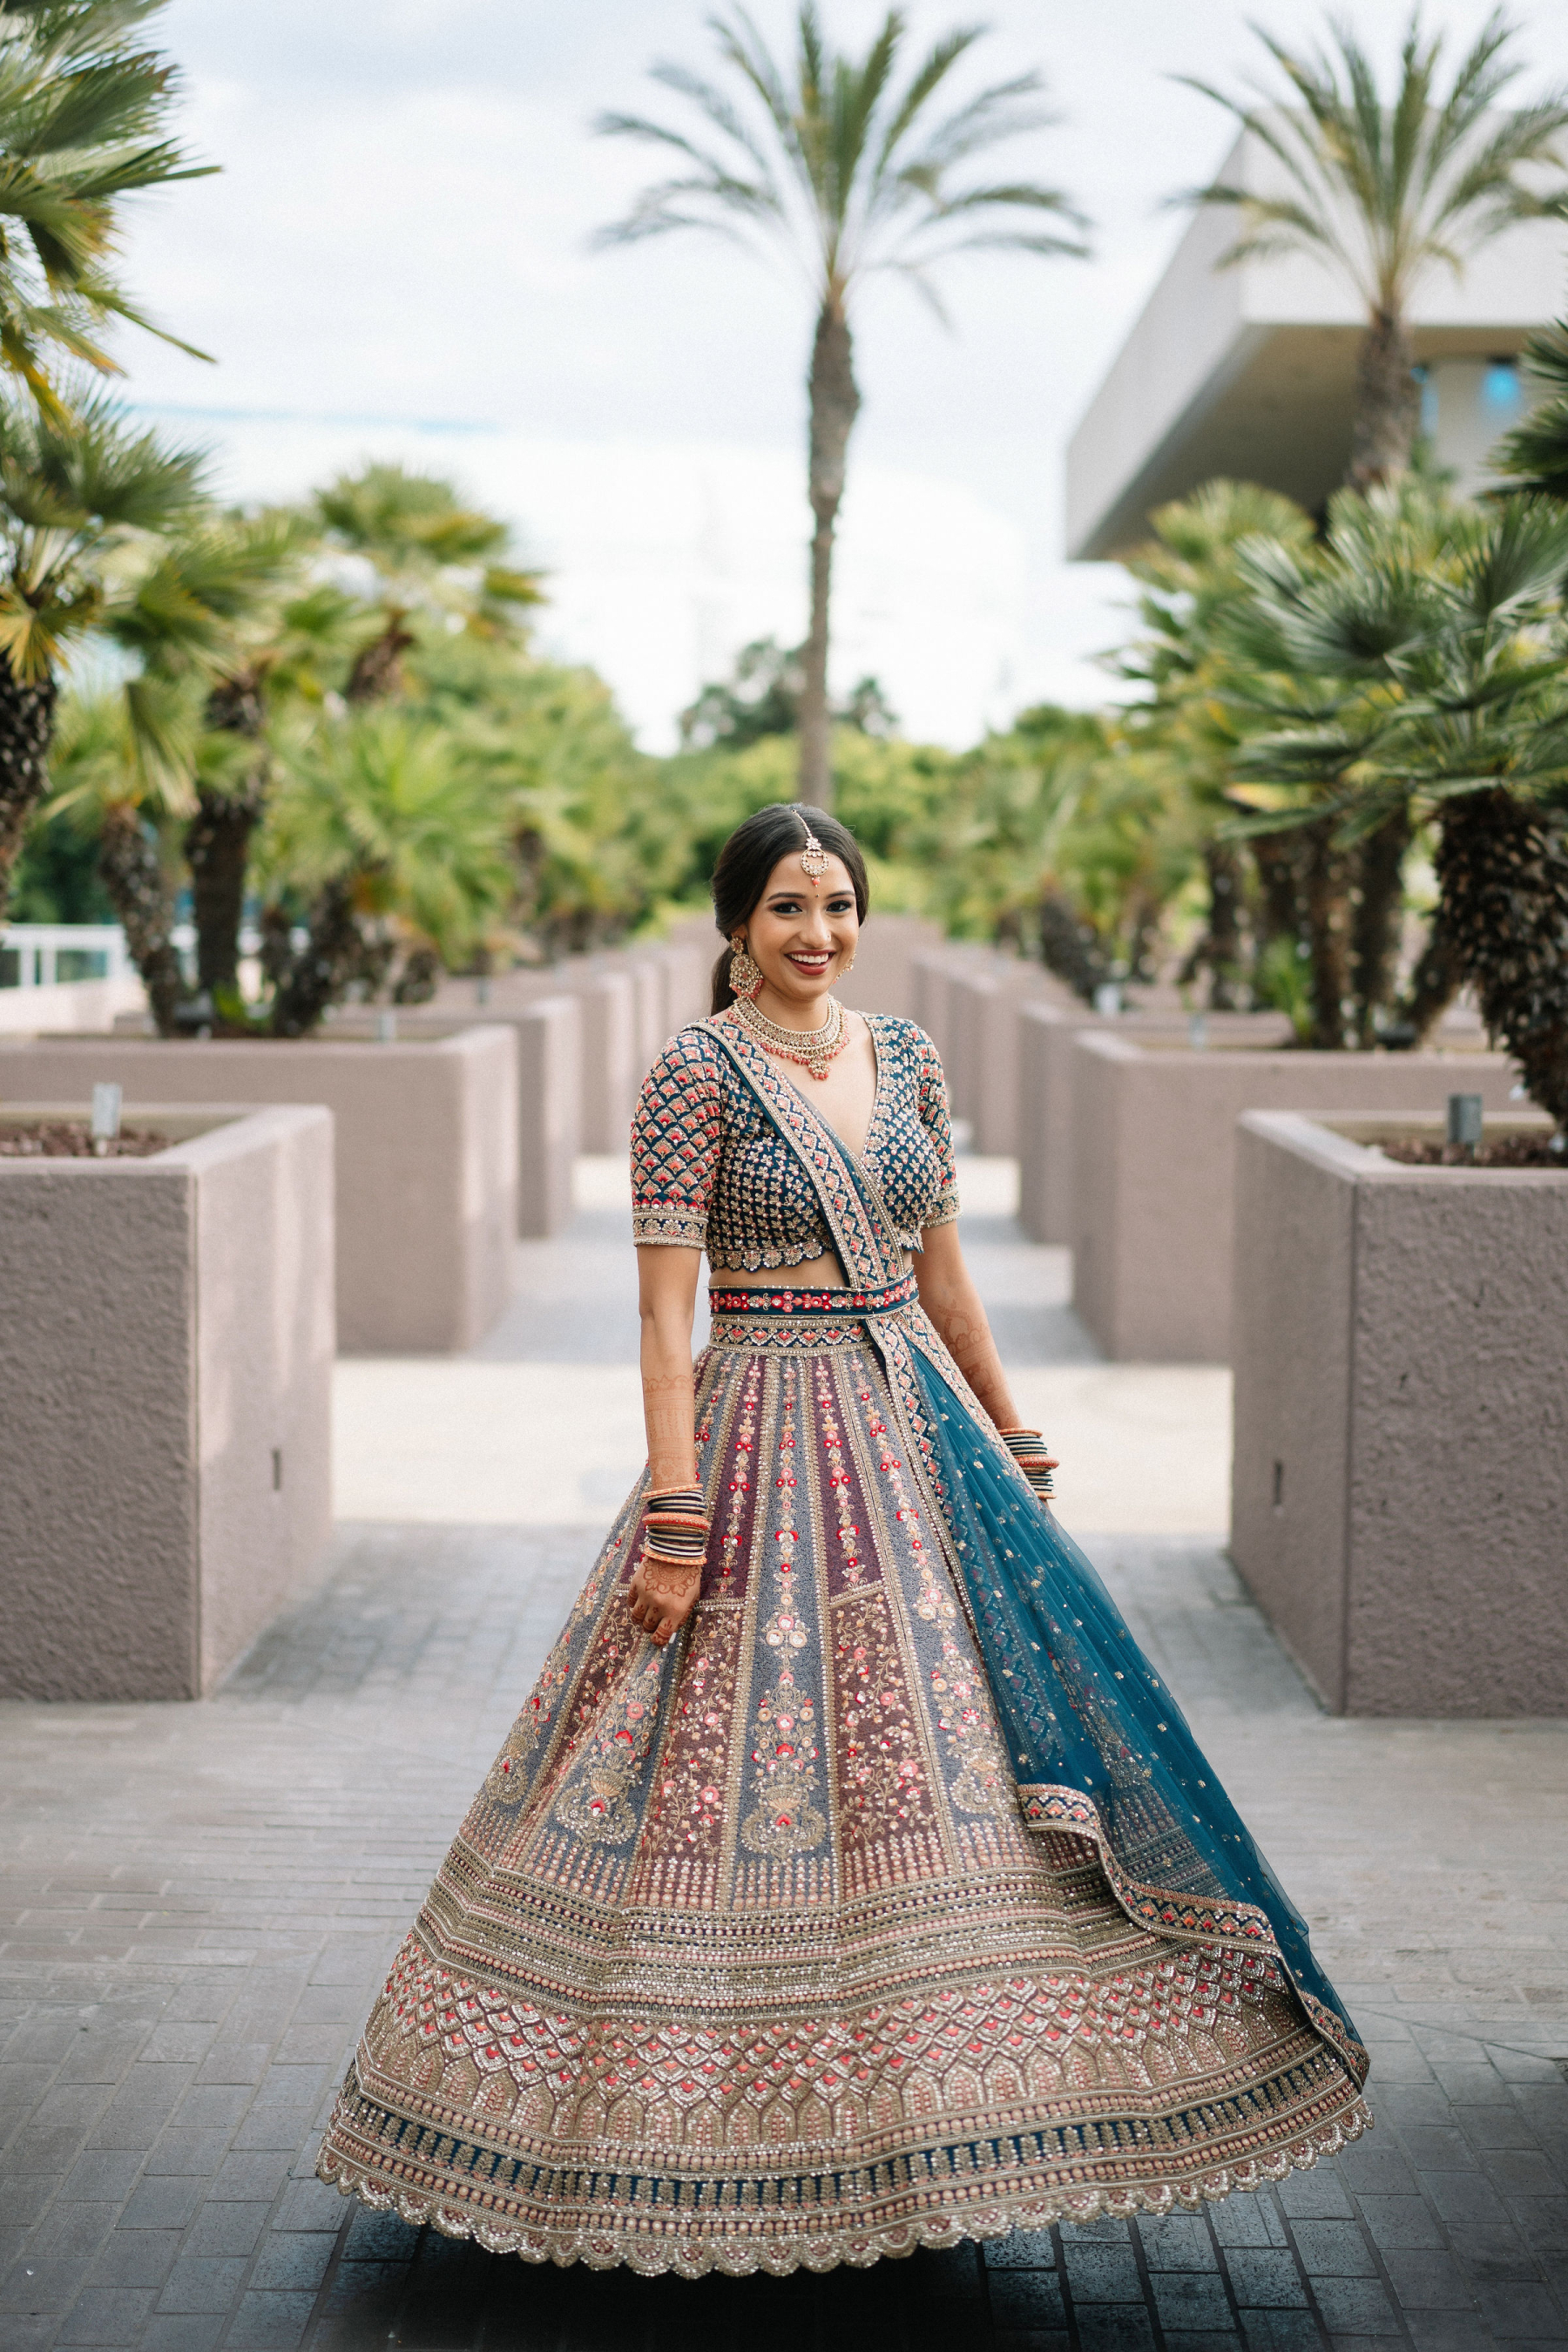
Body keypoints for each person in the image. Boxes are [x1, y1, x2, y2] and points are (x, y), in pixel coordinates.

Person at [317, 801, 1370, 2276]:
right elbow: (660, 1312)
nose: (819, 935)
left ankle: (939, 2116)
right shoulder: (695, 1072)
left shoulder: (910, 1057)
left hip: (908, 1437)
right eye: (788, 910)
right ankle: (693, 2134)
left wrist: (1010, 1427)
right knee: (711, 1760)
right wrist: (675, 1512)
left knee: (933, 1750)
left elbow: (943, 1272)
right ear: (736, 926)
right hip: (755, 1434)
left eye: (839, 905)